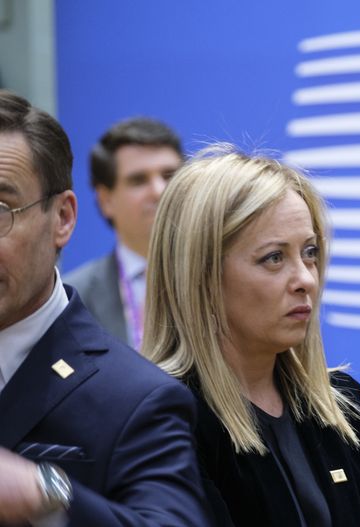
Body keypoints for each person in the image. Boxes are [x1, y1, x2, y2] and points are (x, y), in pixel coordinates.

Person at [142, 144, 360, 527]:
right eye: (274, 257)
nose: (306, 279)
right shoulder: (165, 419)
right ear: (202, 275)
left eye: (309, 252)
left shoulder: (340, 402)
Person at [0, 91, 207, 524]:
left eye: (1, 209)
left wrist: (46, 495)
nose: (157, 192)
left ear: (62, 218)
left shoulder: (139, 397)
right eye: (139, 179)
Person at [65, 117, 183, 349]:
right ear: (106, 200)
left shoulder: (223, 278)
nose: (159, 191)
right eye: (138, 180)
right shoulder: (72, 297)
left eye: (169, 175)